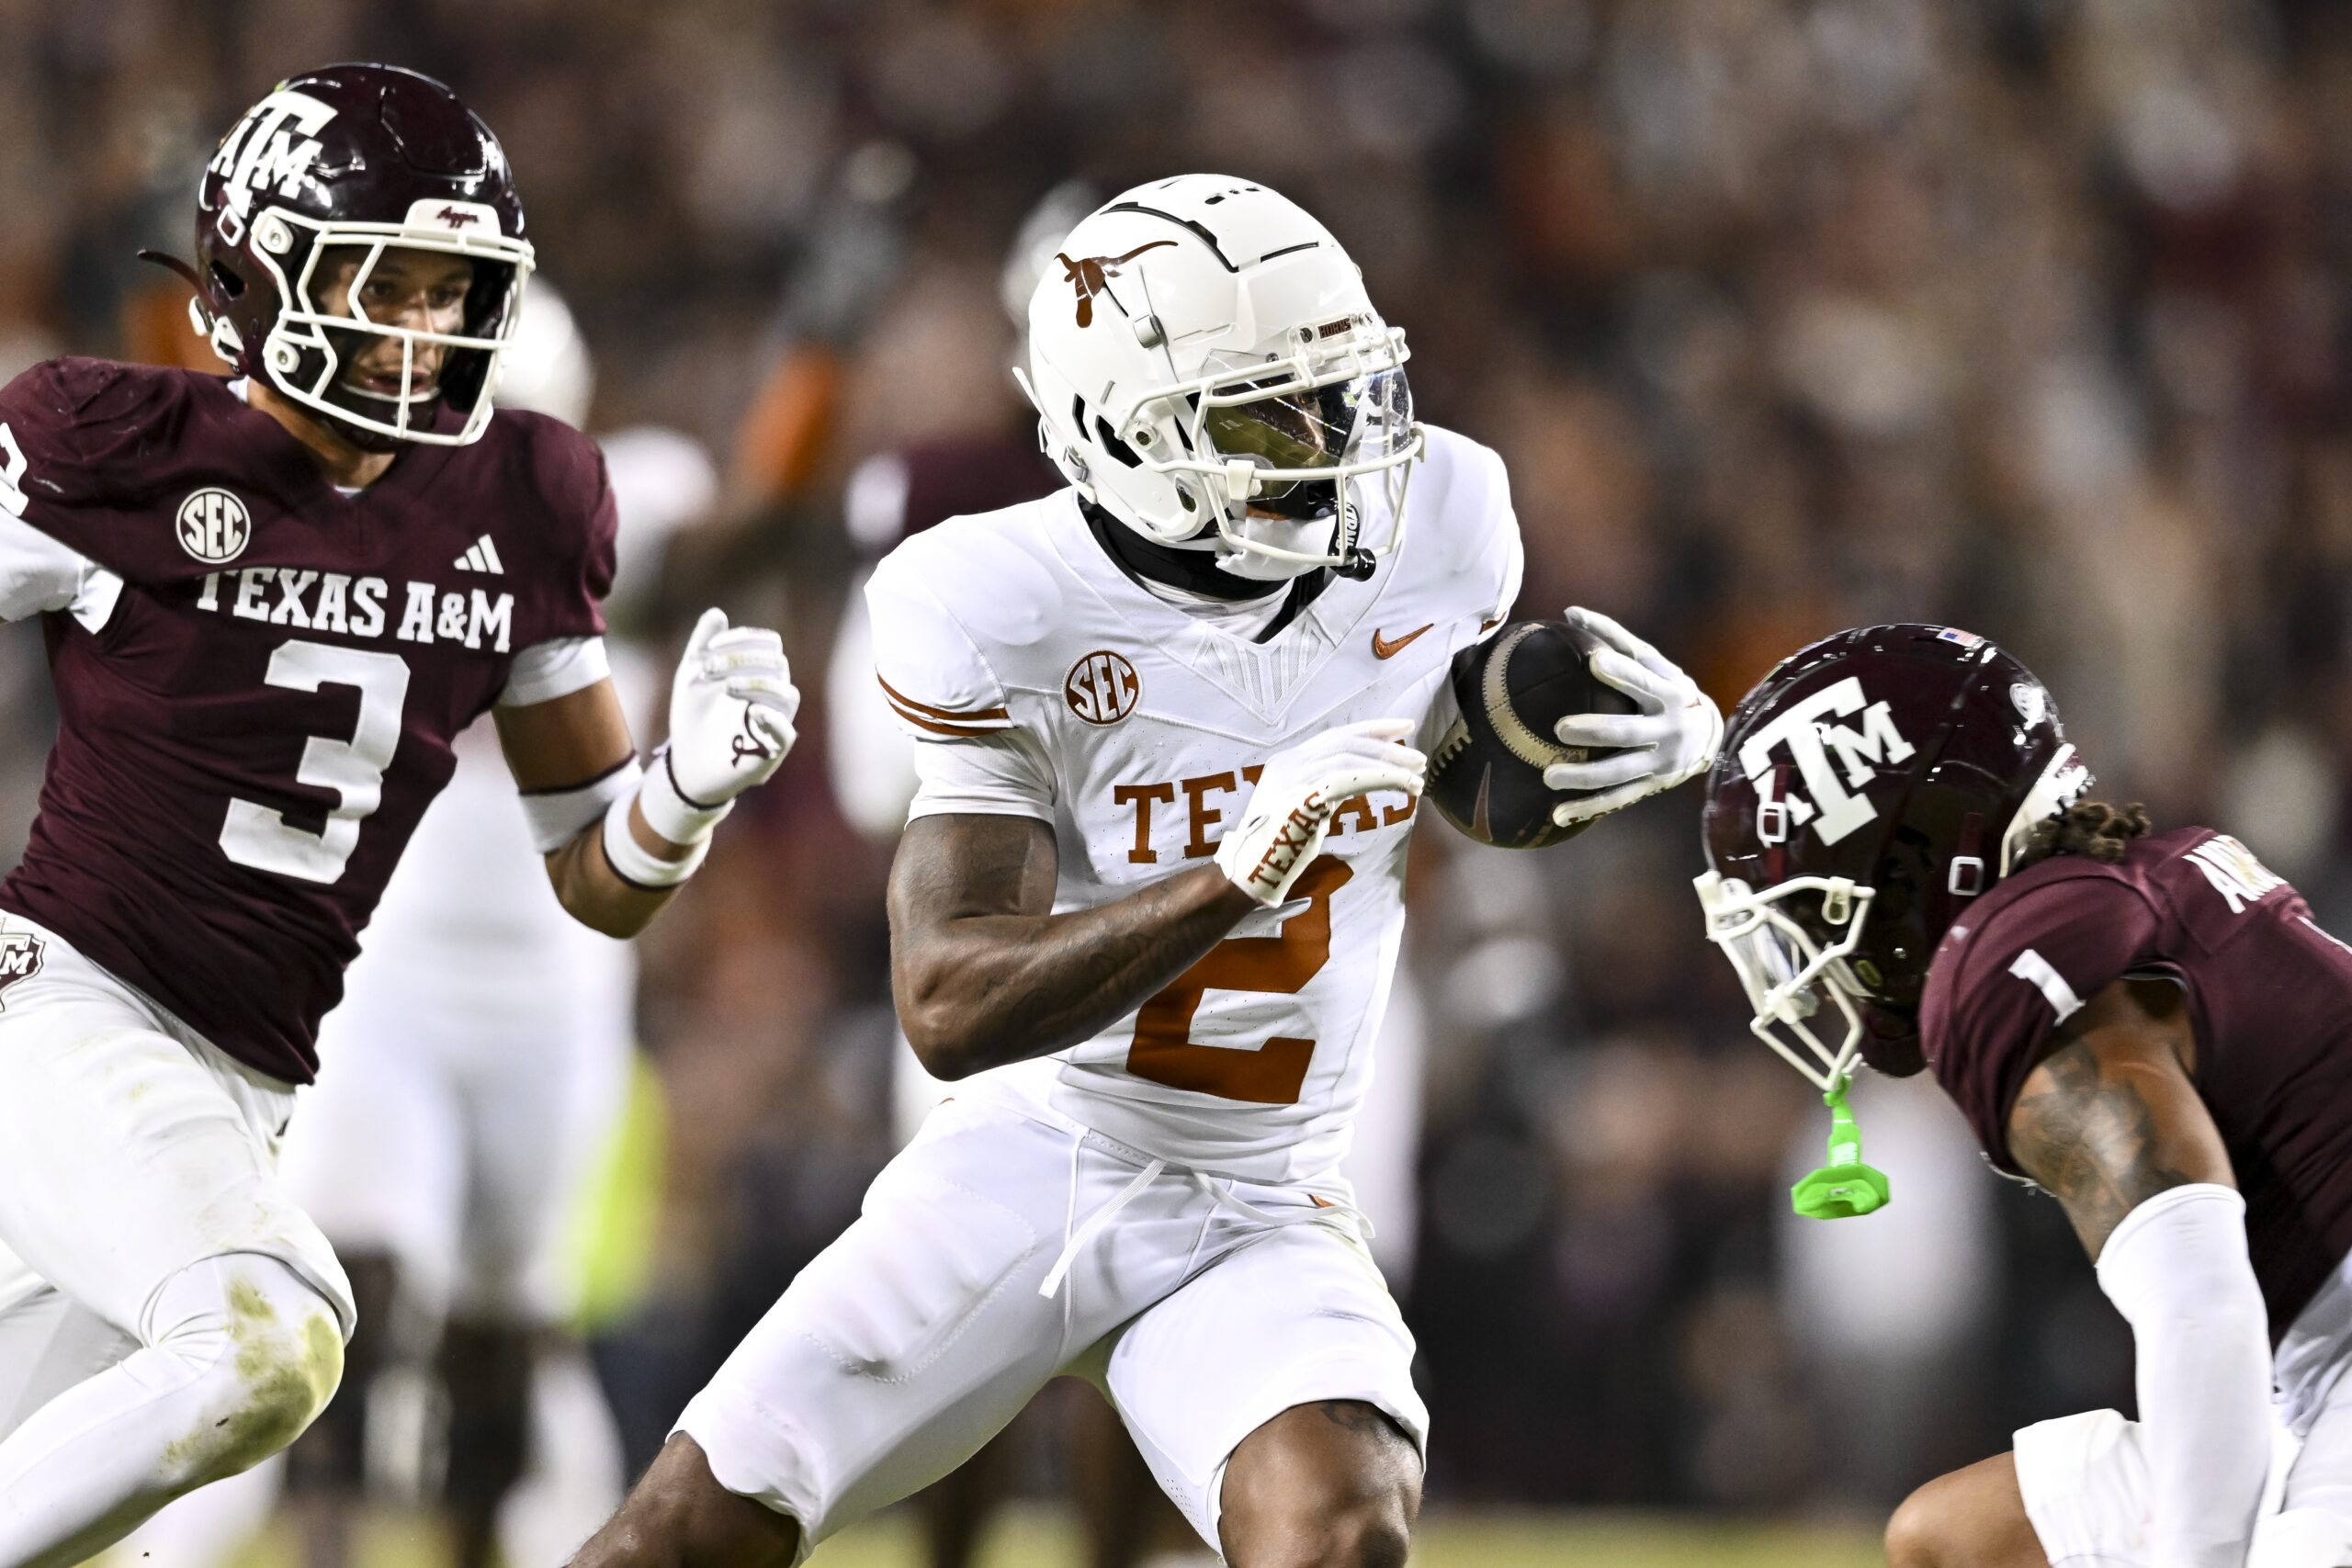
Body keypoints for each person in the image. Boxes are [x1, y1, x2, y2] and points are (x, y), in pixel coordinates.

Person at [571, 174, 1719, 1568]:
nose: (1334, 443)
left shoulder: (1445, 516)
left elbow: (1453, 761)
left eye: (1344, 390)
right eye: (1266, 412)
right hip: (1041, 1145)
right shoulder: (997, 596)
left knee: (1341, 1532)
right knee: (673, 1542)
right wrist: (1232, 872)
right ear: (1125, 434)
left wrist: (1635, 737)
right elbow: (947, 997)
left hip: (1268, 1184)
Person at [0, 64, 799, 1568]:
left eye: (456, 291)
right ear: (254, 270)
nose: (422, 330)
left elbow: (598, 874)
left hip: (245, 1078)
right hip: (66, 1018)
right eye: (389, 282)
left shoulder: (526, 495)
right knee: (269, 1337)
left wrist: (685, 789)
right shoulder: (111, 440)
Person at [119, 282, 712, 1568]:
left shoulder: (628, 511)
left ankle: (473, 1541)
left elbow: (758, 531)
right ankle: (328, 1544)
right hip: (378, 964)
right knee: (361, 1288)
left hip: (558, 981)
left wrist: (820, 359)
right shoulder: (339, 514)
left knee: (501, 1337)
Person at [1691, 624, 2352, 1568]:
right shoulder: (2127, 889)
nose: (1801, 963)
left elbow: (2201, 1310)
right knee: (1955, 1539)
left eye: (1804, 910)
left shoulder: (2011, 967)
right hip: (2315, 1374)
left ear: (1902, 862)